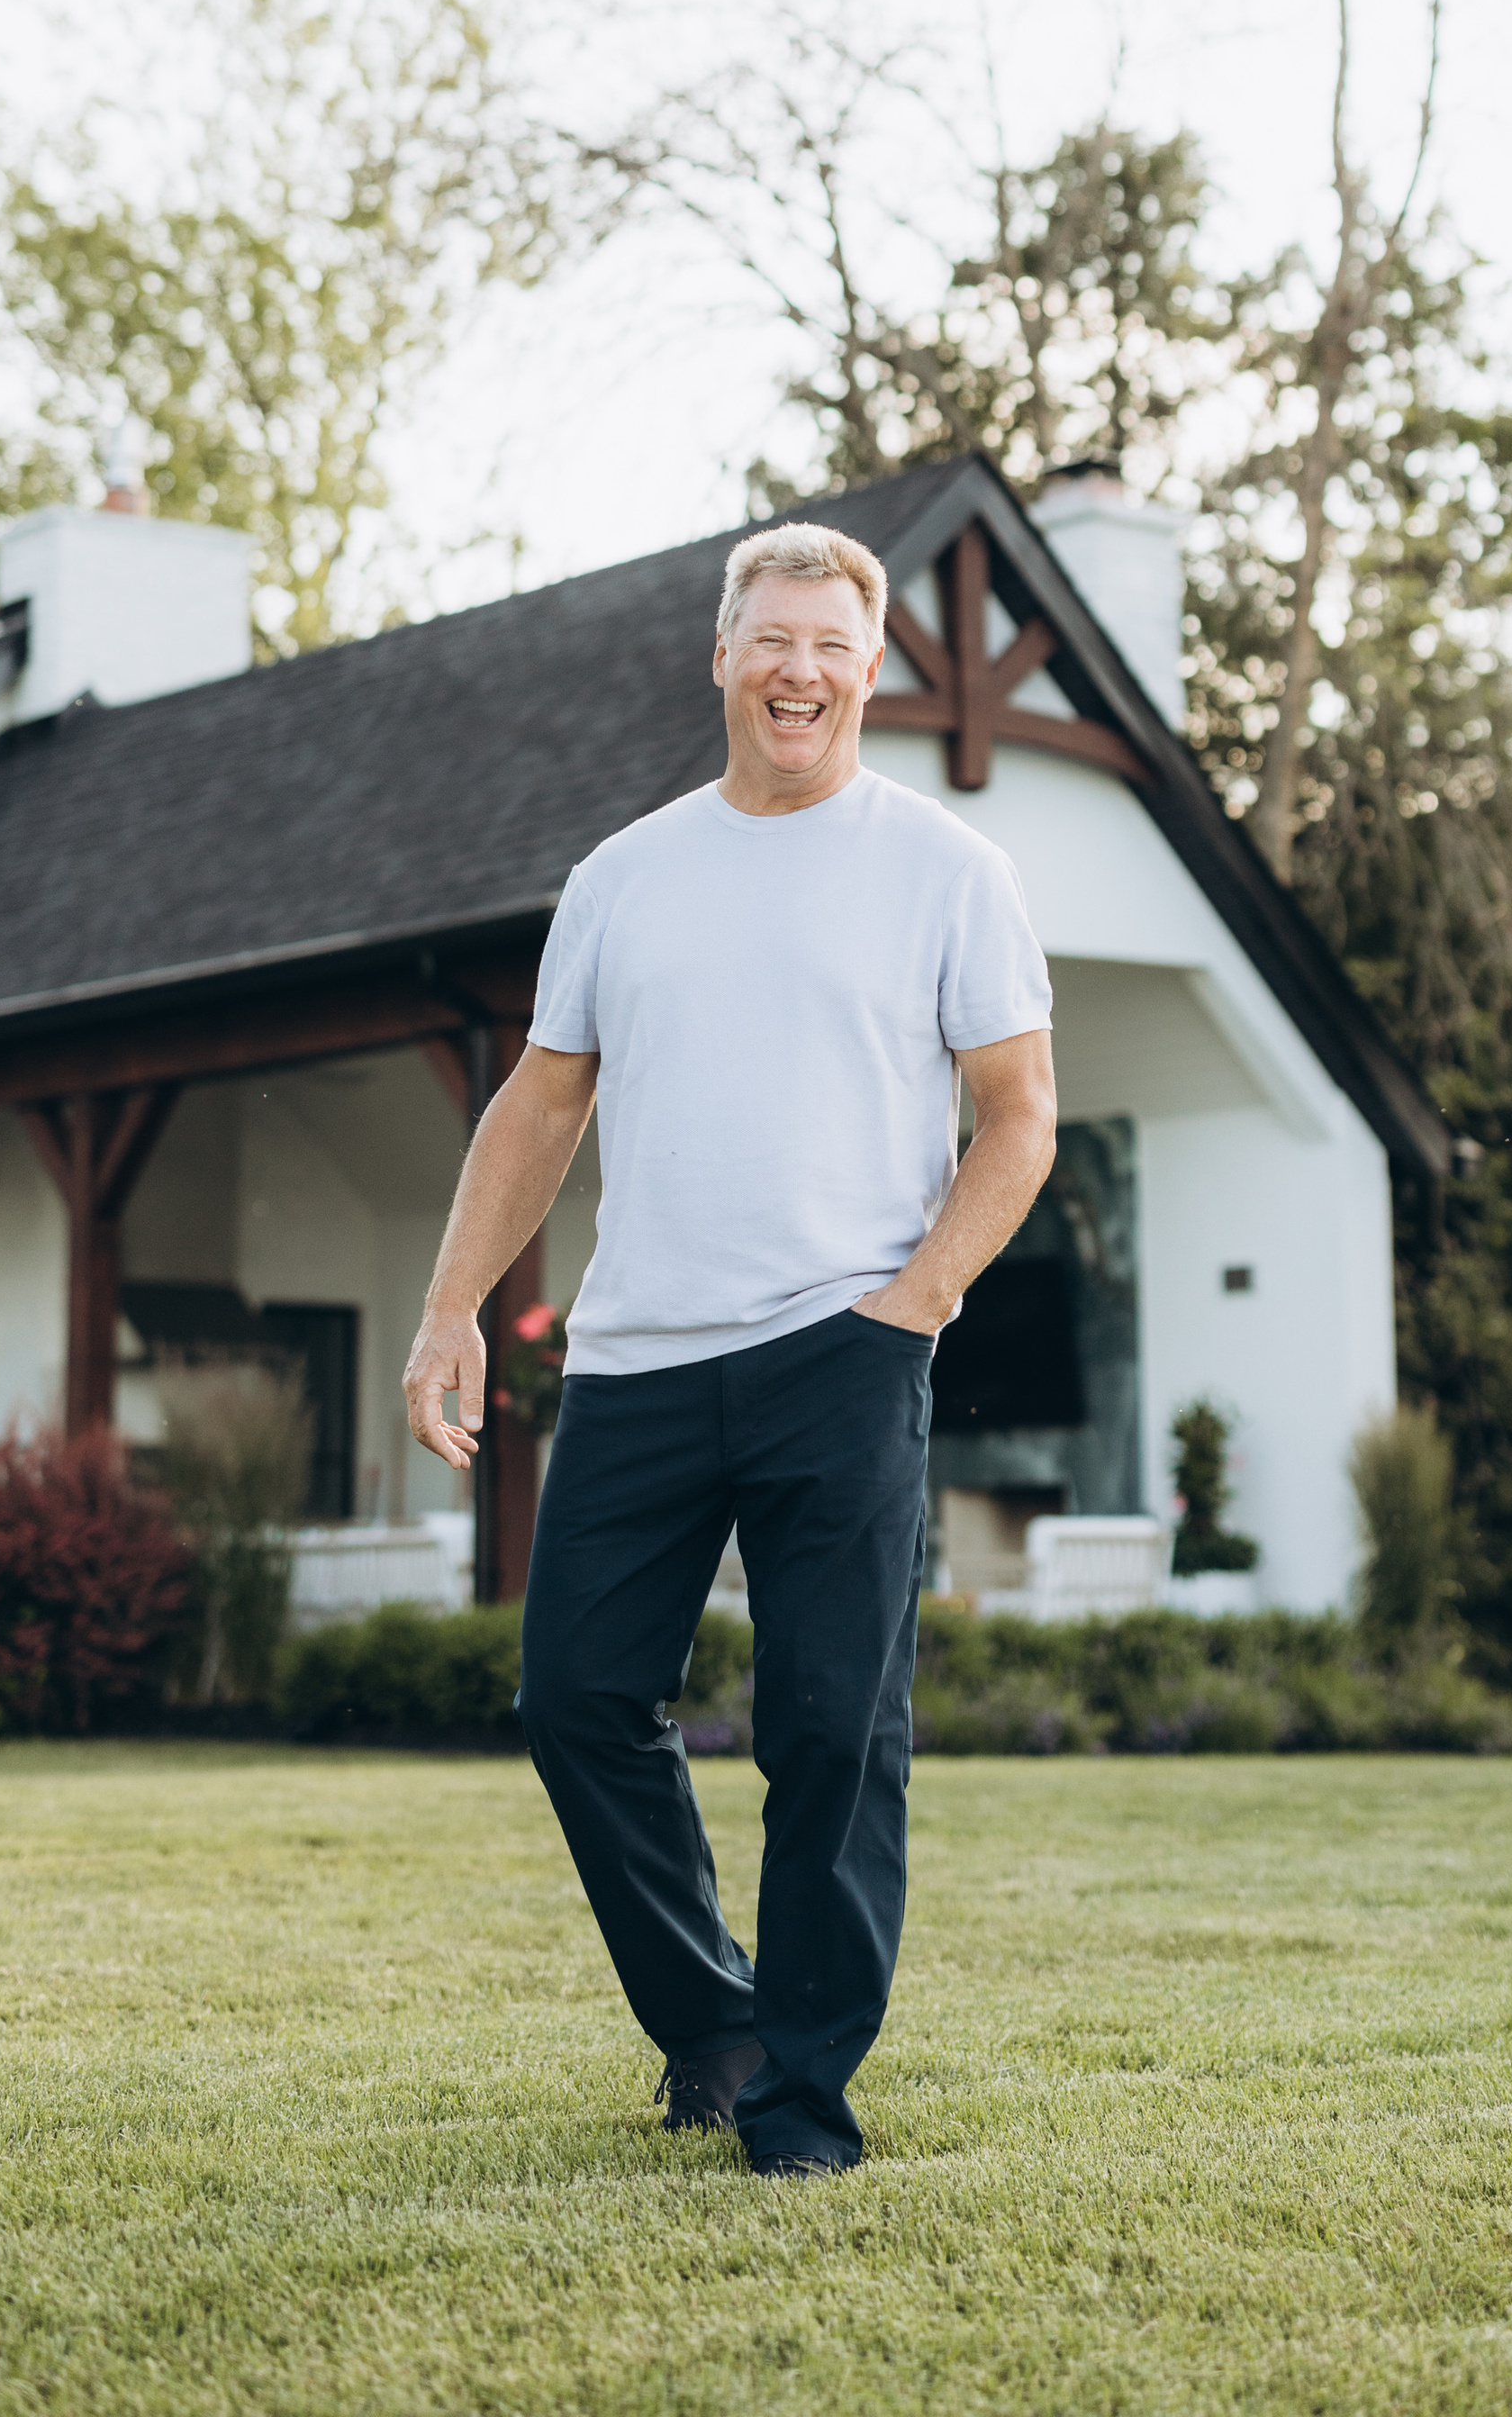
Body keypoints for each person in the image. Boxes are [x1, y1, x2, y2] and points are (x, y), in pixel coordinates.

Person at [404, 521, 1057, 2180]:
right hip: (634, 1361)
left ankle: (803, 2107)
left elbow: (1018, 1118)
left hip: (842, 1346)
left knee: (835, 1728)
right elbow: (542, 1103)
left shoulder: (947, 872)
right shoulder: (626, 875)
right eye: (772, 639)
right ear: (721, 656)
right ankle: (713, 2022)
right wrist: (451, 1303)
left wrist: (911, 1302)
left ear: (873, 663)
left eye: (833, 645)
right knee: (575, 1703)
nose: (800, 671)